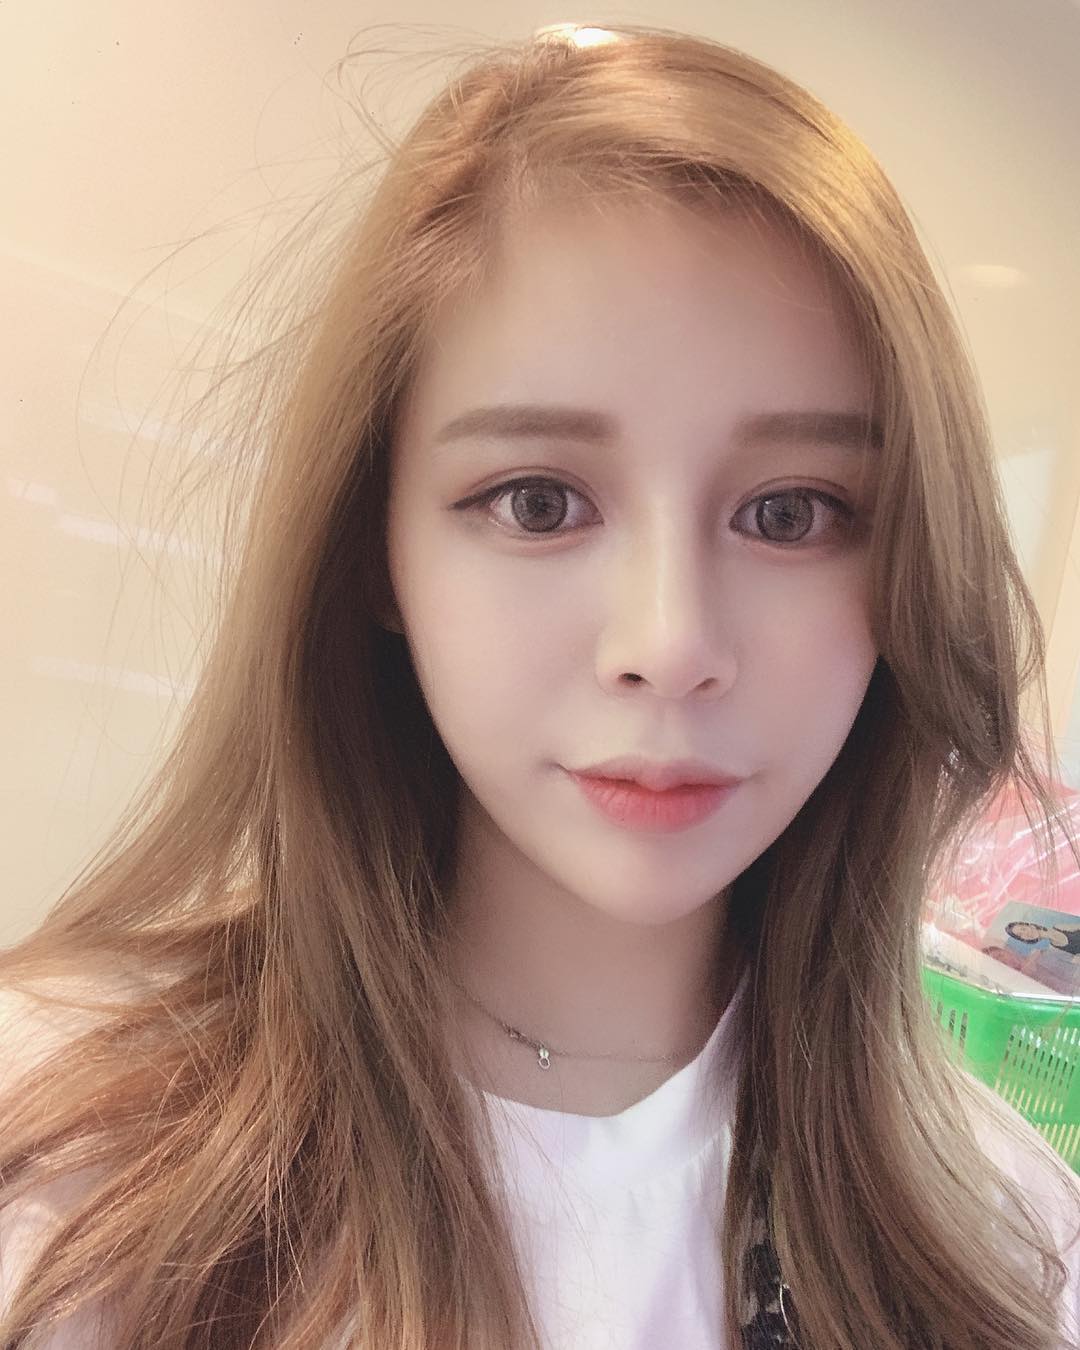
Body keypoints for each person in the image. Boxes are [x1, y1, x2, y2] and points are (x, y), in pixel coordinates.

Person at [2, 21, 1079, 1350]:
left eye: (792, 512)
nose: (669, 642)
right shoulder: (66, 1174)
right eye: (538, 501)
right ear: (376, 551)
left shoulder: (1007, 1242)